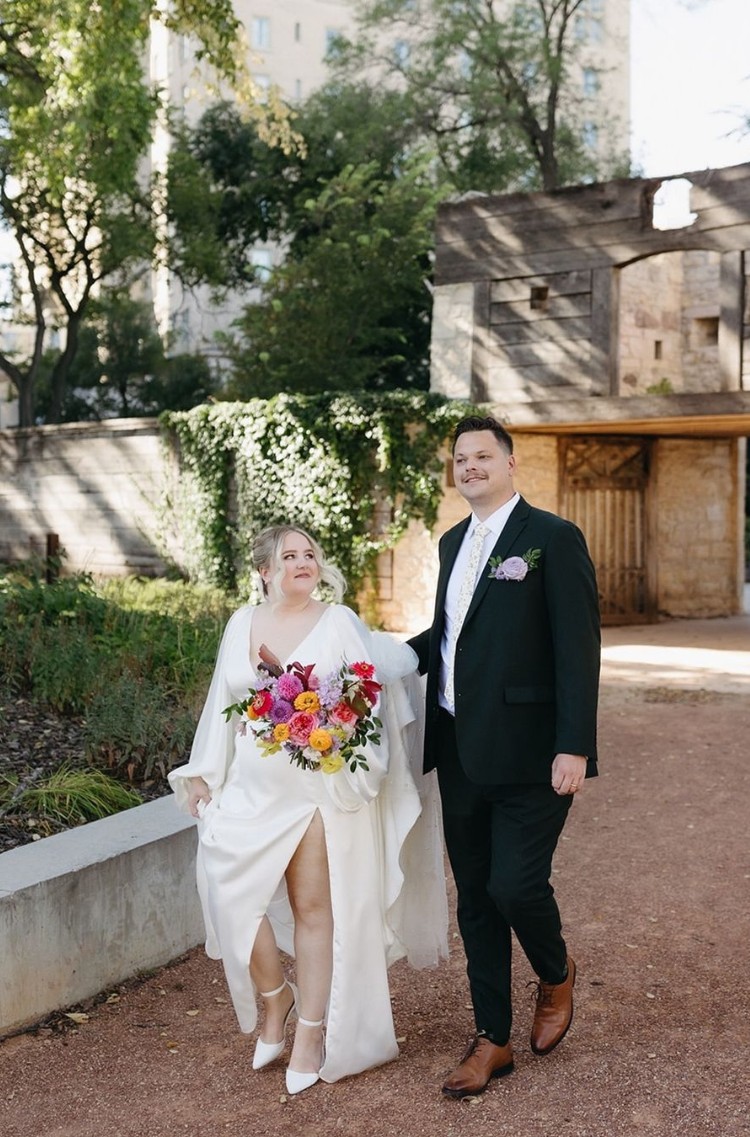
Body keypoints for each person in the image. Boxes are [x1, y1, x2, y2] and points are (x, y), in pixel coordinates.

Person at [168, 524, 447, 1094]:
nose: (302, 562)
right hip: (251, 788)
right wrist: (200, 775)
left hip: (320, 787)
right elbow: (221, 703)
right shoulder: (240, 623)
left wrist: (337, 736)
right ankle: (277, 996)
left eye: (309, 554)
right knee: (226, 889)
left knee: (313, 905)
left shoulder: (339, 622)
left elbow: (365, 698)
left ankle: (312, 1032)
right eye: (288, 555)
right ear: (265, 571)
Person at [409, 414, 600, 1099]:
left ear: (510, 463)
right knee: (477, 904)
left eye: (482, 455)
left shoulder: (552, 538)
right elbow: (451, 632)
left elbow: (578, 647)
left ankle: (555, 972)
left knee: (515, 886)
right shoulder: (452, 541)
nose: (470, 466)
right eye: (460, 458)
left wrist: (574, 744)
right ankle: (493, 1038)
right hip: (460, 748)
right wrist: (377, 659)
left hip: (531, 752)